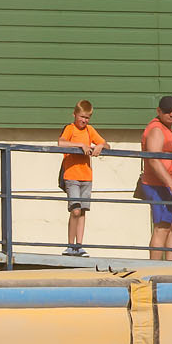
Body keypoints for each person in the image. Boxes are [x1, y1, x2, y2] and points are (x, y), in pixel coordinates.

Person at [56, 99, 106, 256]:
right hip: (72, 175)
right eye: (82, 117)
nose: (84, 120)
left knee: (83, 210)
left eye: (87, 118)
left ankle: (79, 245)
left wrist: (99, 146)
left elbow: (105, 143)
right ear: (75, 115)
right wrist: (80, 145)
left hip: (86, 176)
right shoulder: (70, 128)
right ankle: (70, 245)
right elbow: (61, 143)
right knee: (75, 210)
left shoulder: (90, 130)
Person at [139, 96, 172, 260]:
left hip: (170, 185)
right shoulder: (156, 130)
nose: (171, 114)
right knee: (162, 227)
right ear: (159, 111)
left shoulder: (166, 128)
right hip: (159, 185)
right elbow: (154, 159)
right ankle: (155, 267)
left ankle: (169, 266)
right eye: (167, 111)